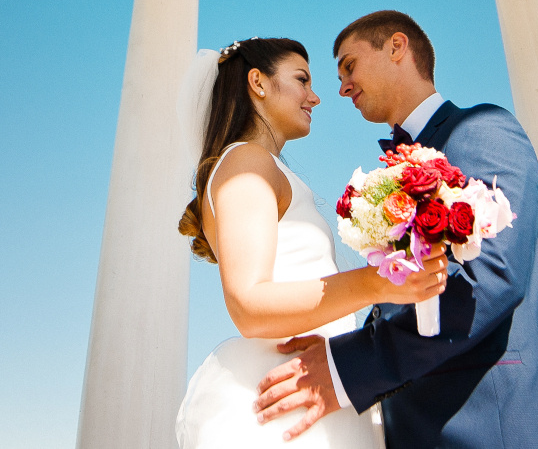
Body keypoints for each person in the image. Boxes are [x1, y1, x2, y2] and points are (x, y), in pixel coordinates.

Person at [254, 11, 538, 449]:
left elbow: (490, 277)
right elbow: (407, 291)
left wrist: (347, 367)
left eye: (349, 66)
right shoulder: (390, 173)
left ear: (397, 47)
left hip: (498, 429)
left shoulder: (482, 129)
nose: (342, 88)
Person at [174, 37, 447, 448]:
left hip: (311, 386)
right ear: (258, 82)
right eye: (302, 79)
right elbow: (248, 306)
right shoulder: (247, 161)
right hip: (283, 402)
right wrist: (379, 283)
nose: (315, 97)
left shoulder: (256, 164)